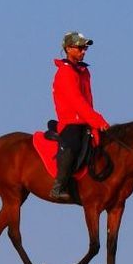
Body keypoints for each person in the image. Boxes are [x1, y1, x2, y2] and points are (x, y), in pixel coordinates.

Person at [50, 32, 110, 204]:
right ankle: (58, 187)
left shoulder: (83, 71)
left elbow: (88, 101)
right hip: (71, 121)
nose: (83, 51)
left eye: (85, 48)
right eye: (80, 48)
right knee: (72, 145)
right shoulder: (65, 72)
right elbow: (77, 101)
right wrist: (98, 120)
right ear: (68, 49)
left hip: (85, 120)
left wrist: (94, 122)